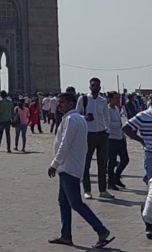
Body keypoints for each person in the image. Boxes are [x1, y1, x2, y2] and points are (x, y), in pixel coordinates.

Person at [47, 92, 114, 249]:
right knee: (63, 202)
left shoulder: (71, 120)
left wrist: (55, 163)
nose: (59, 105)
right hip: (69, 166)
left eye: (62, 102)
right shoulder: (77, 118)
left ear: (71, 103)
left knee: (76, 203)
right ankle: (66, 236)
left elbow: (65, 143)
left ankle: (101, 230)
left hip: (68, 167)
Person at [78, 78, 113, 199]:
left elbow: (106, 117)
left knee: (102, 164)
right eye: (93, 85)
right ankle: (87, 190)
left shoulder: (103, 101)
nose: (95, 87)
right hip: (88, 134)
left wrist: (107, 131)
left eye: (97, 85)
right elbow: (76, 115)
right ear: (89, 86)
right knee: (86, 163)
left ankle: (103, 190)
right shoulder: (83, 99)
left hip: (102, 134)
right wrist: (85, 118)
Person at [106, 91, 129, 191]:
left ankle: (117, 177)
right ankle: (110, 182)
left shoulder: (116, 108)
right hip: (111, 139)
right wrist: (118, 125)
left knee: (125, 160)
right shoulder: (107, 110)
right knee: (111, 162)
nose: (117, 100)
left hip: (120, 137)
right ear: (110, 99)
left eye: (118, 98)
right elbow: (108, 124)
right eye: (115, 98)